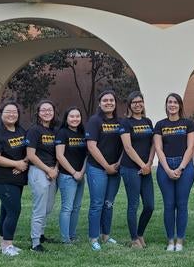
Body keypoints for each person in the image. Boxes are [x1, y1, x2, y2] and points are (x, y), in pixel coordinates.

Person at [154, 93, 194, 252]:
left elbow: (190, 148)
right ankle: (170, 239)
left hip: (184, 166)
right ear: (166, 105)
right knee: (169, 205)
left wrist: (180, 168)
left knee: (182, 204)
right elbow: (158, 148)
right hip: (165, 167)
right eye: (169, 102)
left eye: (175, 102)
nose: (172, 105)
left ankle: (180, 240)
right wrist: (168, 169)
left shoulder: (188, 124)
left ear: (180, 105)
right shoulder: (160, 124)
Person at [0, 102, 28, 257]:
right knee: (14, 210)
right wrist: (16, 163)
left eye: (15, 112)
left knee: (6, 210)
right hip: (2, 180)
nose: (12, 115)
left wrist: (24, 162)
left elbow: (28, 149)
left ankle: (3, 242)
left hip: (18, 179)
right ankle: (8, 246)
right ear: (1, 114)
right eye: (8, 112)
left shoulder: (20, 130)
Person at [85, 90, 123, 251]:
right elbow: (91, 146)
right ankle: (94, 237)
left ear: (115, 103)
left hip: (116, 169)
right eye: (105, 100)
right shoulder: (94, 121)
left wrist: (117, 164)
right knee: (97, 203)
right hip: (97, 168)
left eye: (111, 100)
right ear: (100, 103)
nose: (109, 102)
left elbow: (125, 145)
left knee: (109, 204)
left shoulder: (120, 121)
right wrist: (106, 166)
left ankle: (106, 235)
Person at [119, 91, 155, 249]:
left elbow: (153, 144)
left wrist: (149, 163)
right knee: (133, 204)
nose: (138, 104)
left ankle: (140, 233)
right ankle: (134, 240)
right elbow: (127, 147)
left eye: (140, 101)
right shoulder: (125, 123)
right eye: (134, 102)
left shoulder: (148, 121)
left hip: (145, 168)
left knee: (149, 205)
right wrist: (142, 165)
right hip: (130, 168)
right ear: (129, 105)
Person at [27, 99, 59, 252]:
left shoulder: (55, 130)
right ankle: (35, 243)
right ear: (38, 113)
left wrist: (55, 169)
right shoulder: (34, 130)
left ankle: (40, 234)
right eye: (44, 110)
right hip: (39, 171)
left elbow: (59, 153)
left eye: (50, 110)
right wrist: (48, 169)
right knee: (39, 208)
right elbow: (31, 155)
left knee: (48, 207)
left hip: (53, 172)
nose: (47, 112)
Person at [55, 107, 87, 244]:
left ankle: (72, 235)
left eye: (77, 116)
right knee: (67, 208)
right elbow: (60, 156)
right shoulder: (62, 133)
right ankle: (65, 239)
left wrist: (81, 172)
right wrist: (74, 173)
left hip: (80, 175)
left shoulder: (82, 133)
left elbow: (87, 155)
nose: (75, 119)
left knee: (76, 207)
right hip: (67, 176)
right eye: (72, 116)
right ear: (66, 119)